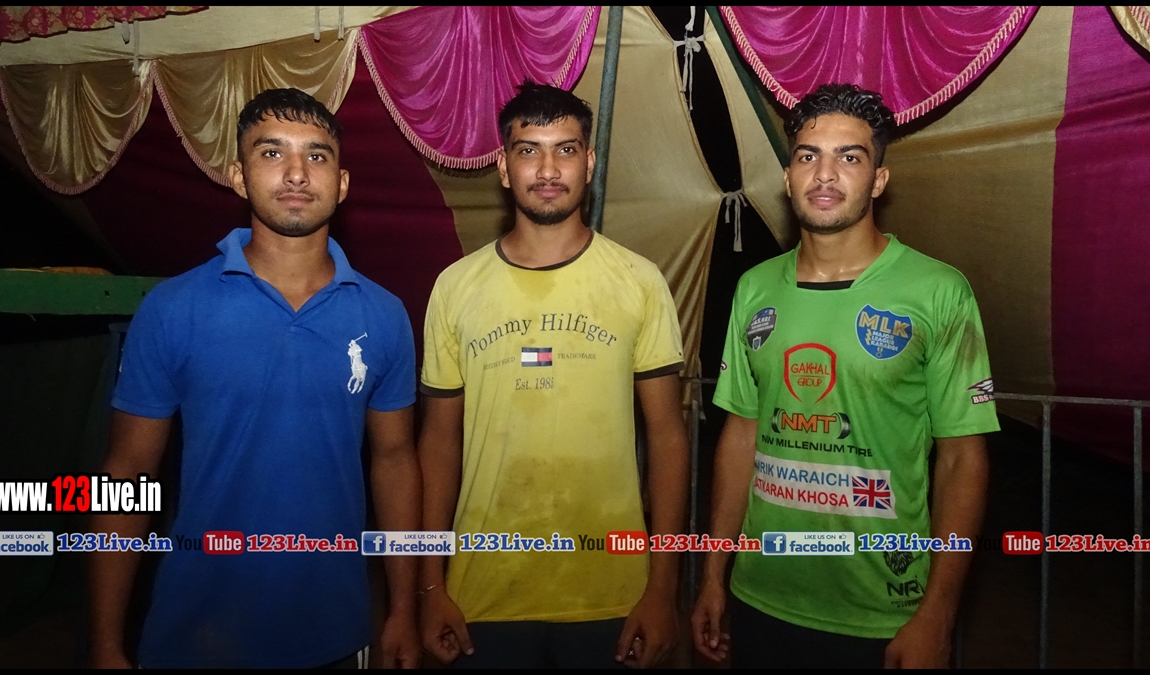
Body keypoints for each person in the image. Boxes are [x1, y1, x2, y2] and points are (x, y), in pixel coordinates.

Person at [88, 88, 422, 668]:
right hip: (196, 633)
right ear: (239, 177)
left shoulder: (384, 315)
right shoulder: (173, 309)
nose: (296, 173)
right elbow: (128, 474)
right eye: (272, 153)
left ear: (342, 183)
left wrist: (402, 611)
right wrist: (105, 643)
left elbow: (395, 462)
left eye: (316, 155)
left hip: (336, 630)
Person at [691, 83, 997, 669]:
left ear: (879, 179)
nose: (825, 174)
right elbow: (742, 435)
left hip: (883, 611)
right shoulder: (754, 289)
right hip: (760, 596)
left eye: (849, 157)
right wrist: (712, 575)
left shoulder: (937, 292)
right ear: (788, 176)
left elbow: (963, 459)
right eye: (808, 156)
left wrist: (938, 613)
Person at [416, 82, 689, 669]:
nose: (547, 169)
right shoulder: (455, 287)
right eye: (528, 150)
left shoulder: (639, 281)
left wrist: (663, 589)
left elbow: (668, 437)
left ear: (589, 163)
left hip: (614, 593)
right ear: (503, 168)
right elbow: (437, 443)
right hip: (480, 594)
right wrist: (431, 585)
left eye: (565, 150)